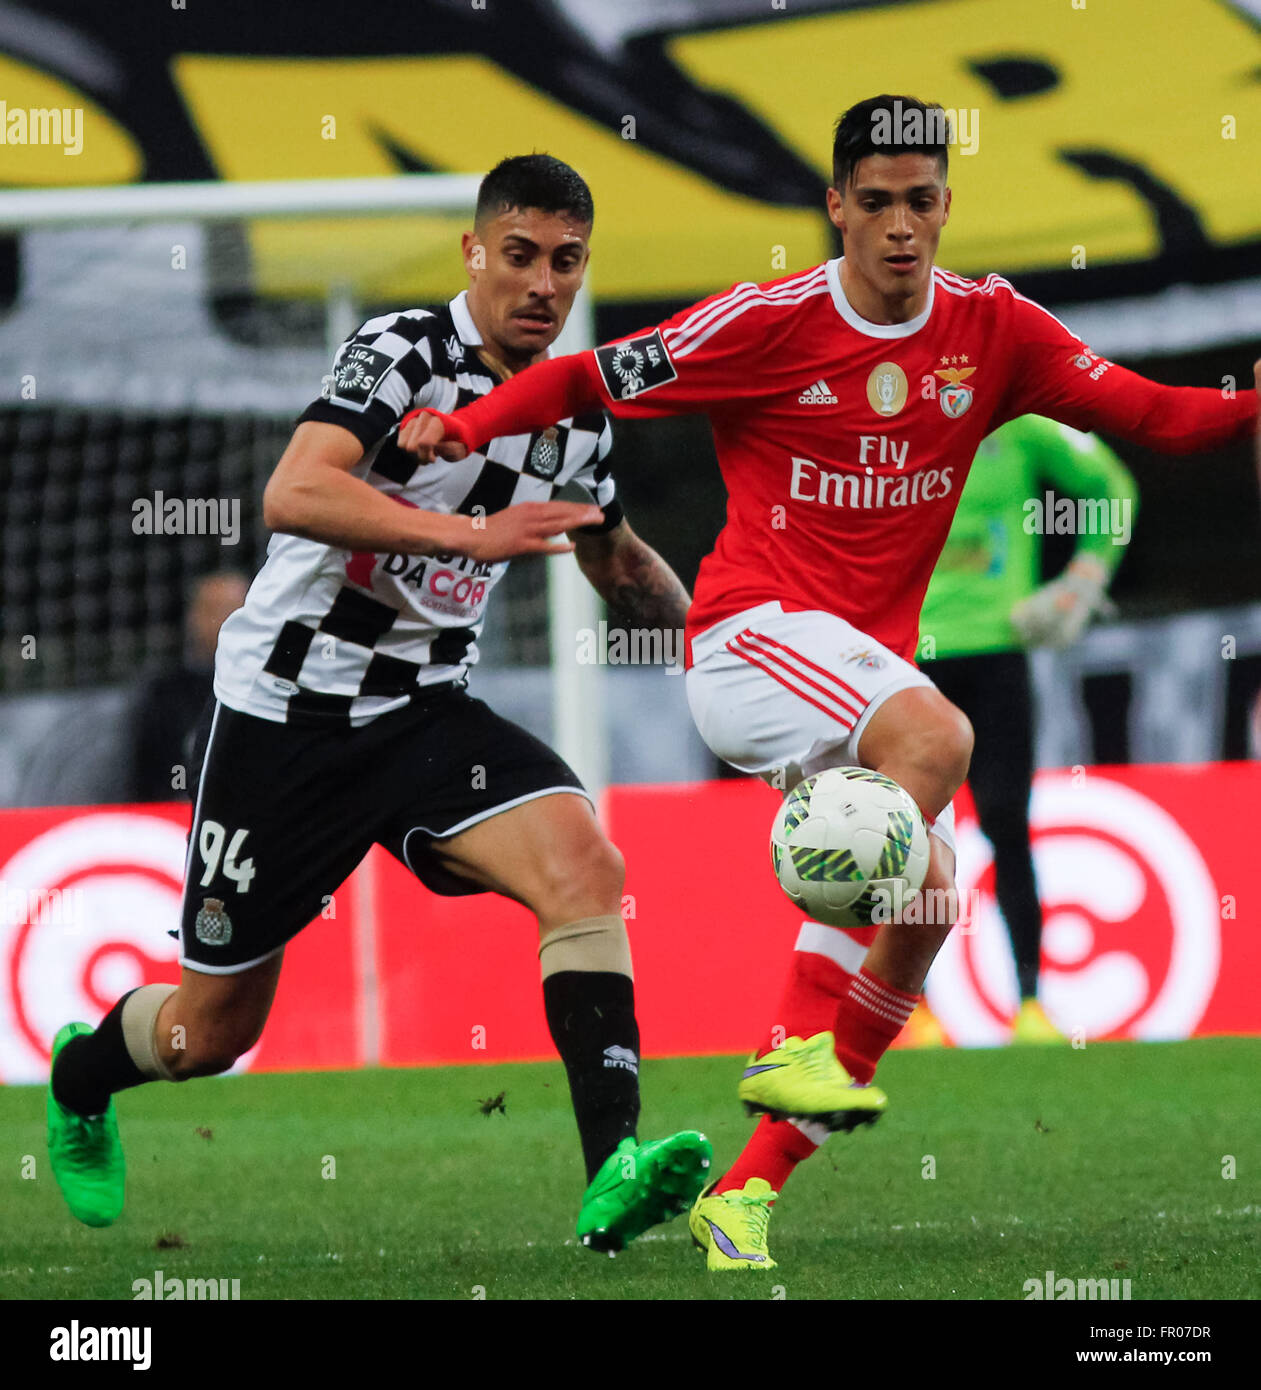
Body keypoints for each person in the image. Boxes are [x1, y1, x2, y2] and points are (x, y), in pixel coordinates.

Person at [396, 95, 1259, 1271]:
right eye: (877, 202)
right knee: (940, 738)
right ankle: (795, 1035)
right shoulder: (768, 321)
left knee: (930, 899)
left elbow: (1153, 415)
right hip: (750, 638)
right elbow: (585, 381)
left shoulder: (993, 329)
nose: (900, 226)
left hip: (852, 675)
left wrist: (1250, 405)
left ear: (946, 208)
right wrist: (469, 422)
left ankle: (743, 1196)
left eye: (921, 201)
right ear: (836, 208)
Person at [46, 154, 711, 1253]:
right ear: (473, 253)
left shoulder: (576, 416)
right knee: (210, 1031)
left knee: (585, 866)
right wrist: (467, 534)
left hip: (424, 715)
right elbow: (294, 491)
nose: (543, 283)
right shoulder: (404, 351)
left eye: (566, 261)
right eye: (520, 256)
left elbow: (619, 564)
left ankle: (614, 1172)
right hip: (285, 718)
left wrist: (733, 630)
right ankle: (80, 1075)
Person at [911, 416, 1138, 1045]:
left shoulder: (1020, 422)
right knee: (907, 837)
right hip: (909, 658)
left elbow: (1111, 486)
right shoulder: (892, 412)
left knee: (1007, 819)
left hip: (999, 651)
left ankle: (1032, 1003)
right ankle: (914, 1011)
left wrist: (1087, 575)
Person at [125, 570, 250, 802]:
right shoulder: (165, 695)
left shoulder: (268, 689)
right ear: (192, 617)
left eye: (232, 609)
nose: (223, 620)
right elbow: (147, 780)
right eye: (212, 609)